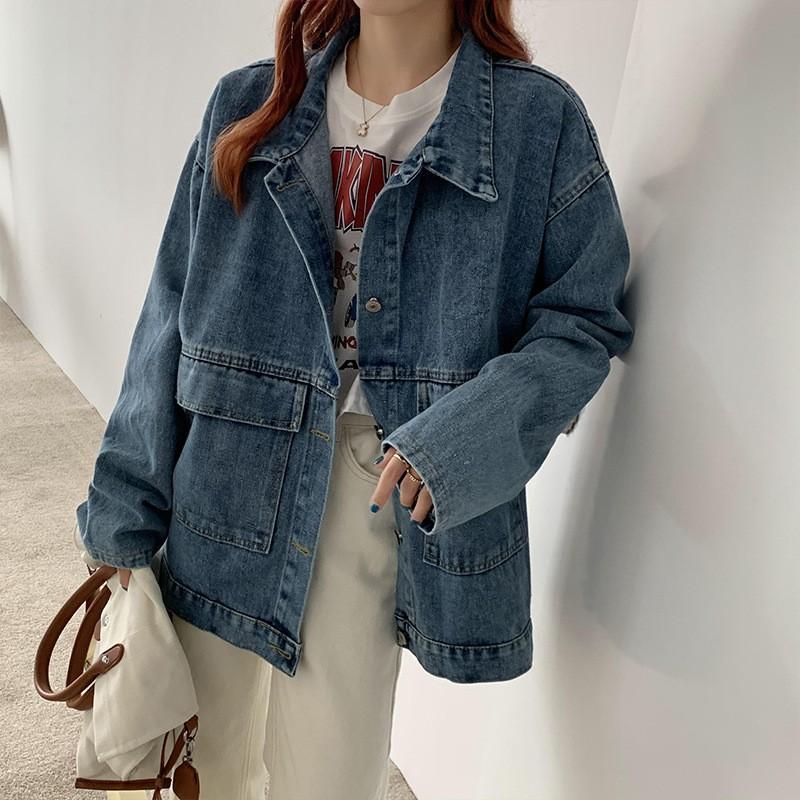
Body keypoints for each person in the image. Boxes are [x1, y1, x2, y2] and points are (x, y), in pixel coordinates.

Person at [74, 1, 635, 798]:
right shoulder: (248, 102)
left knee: (328, 777)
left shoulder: (537, 123)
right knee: (203, 764)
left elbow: (582, 321)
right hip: (225, 482)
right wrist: (121, 514)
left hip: (377, 495)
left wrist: (463, 441)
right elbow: (169, 312)